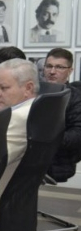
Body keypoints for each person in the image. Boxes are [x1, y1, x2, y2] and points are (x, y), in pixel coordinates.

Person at [0, 59, 39, 231]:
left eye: (3, 88)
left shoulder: (16, 118)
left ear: (28, 88)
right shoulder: (38, 109)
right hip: (16, 203)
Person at [42, 48, 81, 182]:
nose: (52, 71)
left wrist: (47, 138)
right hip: (28, 161)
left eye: (59, 67)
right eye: (49, 66)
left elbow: (78, 133)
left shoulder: (76, 97)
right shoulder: (33, 92)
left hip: (58, 164)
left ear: (70, 71)